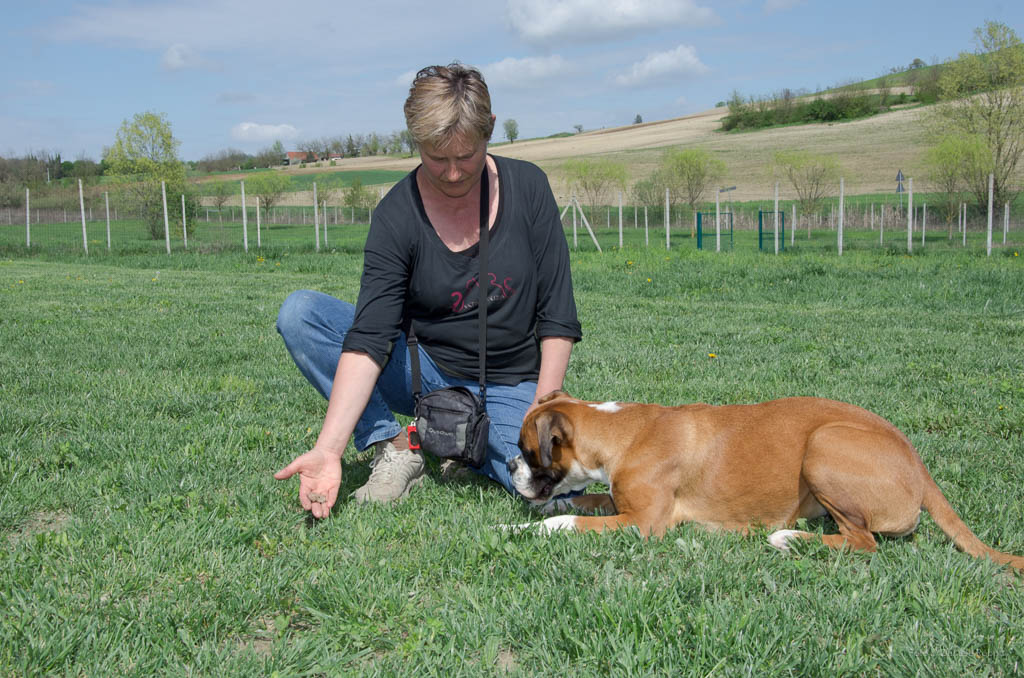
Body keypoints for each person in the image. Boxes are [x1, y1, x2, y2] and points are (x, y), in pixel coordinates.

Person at [274, 63, 582, 518]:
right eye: (438, 158)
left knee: (545, 488)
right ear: (414, 141)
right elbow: (369, 339)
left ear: (490, 130)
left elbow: (558, 314)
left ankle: (464, 448)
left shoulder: (529, 187)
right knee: (301, 314)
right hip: (424, 375)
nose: (454, 173)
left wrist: (544, 412)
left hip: (512, 381)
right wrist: (329, 449)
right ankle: (395, 445)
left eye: (467, 156)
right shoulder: (396, 215)